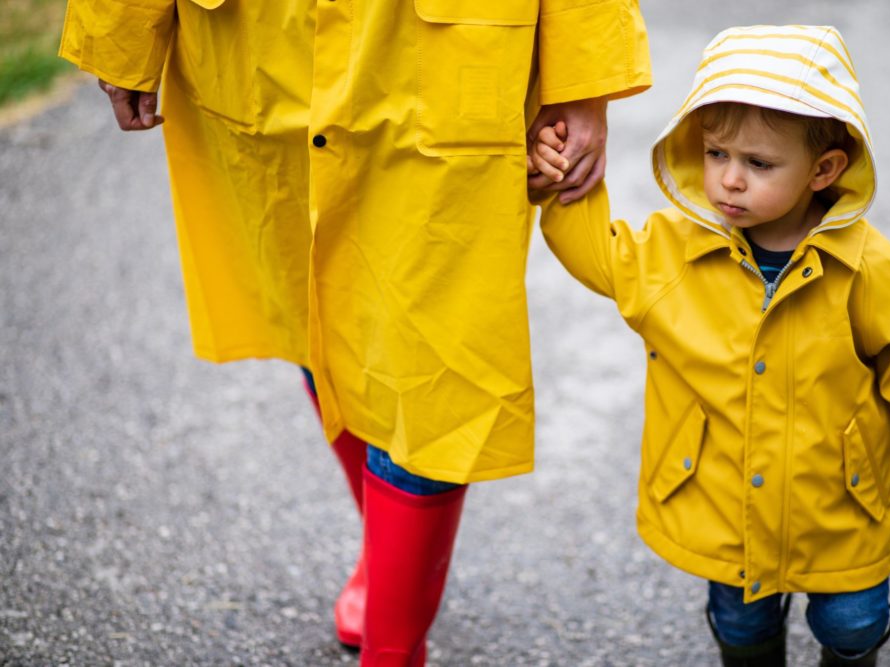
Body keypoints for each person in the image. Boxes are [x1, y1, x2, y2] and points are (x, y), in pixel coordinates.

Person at [59, 0, 652, 663]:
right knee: (312, 305)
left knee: (434, 365)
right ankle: (387, 544)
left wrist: (587, 76)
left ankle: (393, 646)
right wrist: (120, 28)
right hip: (259, 45)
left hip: (445, 51)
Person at [529, 24, 890, 667]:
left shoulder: (865, 269)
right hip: (725, 502)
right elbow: (597, 255)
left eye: (759, 163)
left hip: (840, 506)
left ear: (824, 170)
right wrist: (563, 184)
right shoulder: (676, 252)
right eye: (717, 154)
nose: (729, 181)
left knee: (853, 623)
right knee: (739, 624)